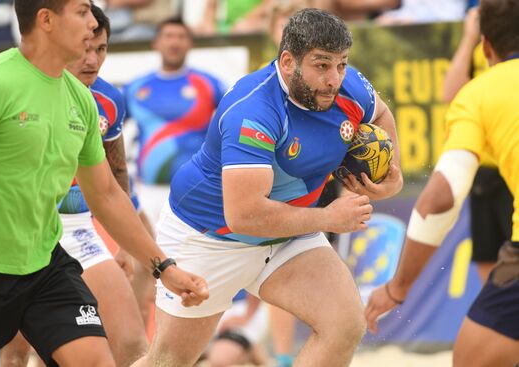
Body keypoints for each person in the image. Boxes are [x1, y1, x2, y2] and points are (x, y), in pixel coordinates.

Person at [132, 8, 403, 367]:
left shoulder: (347, 85)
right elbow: (245, 215)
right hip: (210, 236)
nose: (334, 79)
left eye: (341, 64)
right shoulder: (254, 109)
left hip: (286, 233)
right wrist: (327, 218)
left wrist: (390, 173)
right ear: (288, 61)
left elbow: (380, 114)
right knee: (168, 360)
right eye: (322, 65)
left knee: (344, 325)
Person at [0, 0, 208, 365]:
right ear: (46, 20)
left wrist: (165, 268)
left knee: (101, 358)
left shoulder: (81, 100)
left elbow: (108, 194)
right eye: (82, 12)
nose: (92, 22)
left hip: (44, 264)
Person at [365, 1, 519, 366]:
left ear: (485, 47)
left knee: (471, 359)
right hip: (495, 193)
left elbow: (440, 197)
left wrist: (397, 287)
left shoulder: (482, 92)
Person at [0, 5, 149, 366]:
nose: (92, 60)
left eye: (101, 49)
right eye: (85, 49)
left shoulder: (109, 100)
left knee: (130, 342)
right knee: (14, 351)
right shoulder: (15, 85)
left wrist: (128, 247)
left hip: (78, 230)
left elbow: (116, 176)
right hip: (17, 232)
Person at [123, 16, 226, 226]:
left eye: (181, 37)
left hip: (196, 189)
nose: (174, 42)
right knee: (147, 256)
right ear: (156, 43)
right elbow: (107, 130)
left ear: (190, 43)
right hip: (148, 191)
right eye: (168, 36)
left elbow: (233, 123)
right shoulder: (135, 87)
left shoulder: (209, 84)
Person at [441, 6, 513, 284]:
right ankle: (499, 322)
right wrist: (471, 37)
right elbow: (450, 93)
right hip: (483, 169)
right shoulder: (480, 42)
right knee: (487, 259)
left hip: (510, 165)